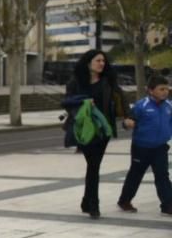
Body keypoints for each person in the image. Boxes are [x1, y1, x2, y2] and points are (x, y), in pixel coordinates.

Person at [64, 49, 127, 218]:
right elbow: (66, 101)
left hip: (103, 129)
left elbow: (121, 97)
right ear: (88, 63)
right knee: (93, 165)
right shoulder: (76, 82)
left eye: (103, 61)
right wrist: (83, 100)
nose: (102, 64)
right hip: (84, 130)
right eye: (98, 60)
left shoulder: (108, 81)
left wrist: (128, 117)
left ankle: (90, 203)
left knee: (93, 166)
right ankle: (91, 204)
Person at [117, 73, 172, 215]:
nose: (165, 92)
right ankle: (124, 201)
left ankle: (168, 205)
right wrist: (126, 123)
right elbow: (127, 121)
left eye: (166, 89)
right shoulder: (141, 106)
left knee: (162, 176)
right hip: (141, 148)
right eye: (161, 89)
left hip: (160, 148)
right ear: (151, 90)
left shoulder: (169, 106)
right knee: (135, 175)